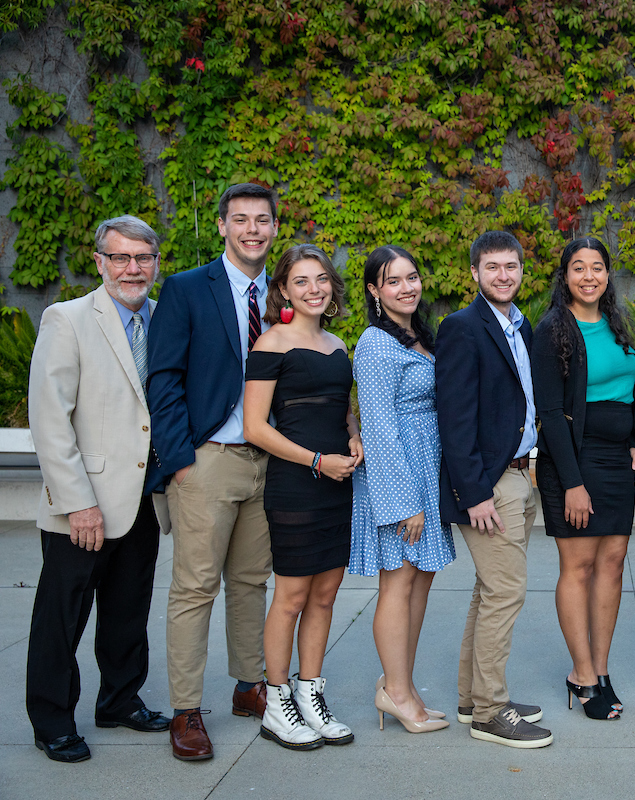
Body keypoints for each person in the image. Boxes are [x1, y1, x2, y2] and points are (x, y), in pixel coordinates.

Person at [25, 216, 172, 763]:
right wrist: (77, 502)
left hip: (144, 498)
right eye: (120, 257)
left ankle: (120, 700)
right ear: (100, 262)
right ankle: (52, 721)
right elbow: (50, 420)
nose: (132, 268)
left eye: (143, 258)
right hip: (83, 503)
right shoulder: (66, 319)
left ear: (156, 263)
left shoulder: (163, 318)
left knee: (128, 609)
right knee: (62, 616)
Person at [147, 183, 279, 761]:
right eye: (240, 219)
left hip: (268, 462)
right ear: (223, 226)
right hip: (207, 461)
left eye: (262, 220)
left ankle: (249, 686)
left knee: (251, 581)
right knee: (195, 587)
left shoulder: (283, 291)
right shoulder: (185, 289)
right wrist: (180, 462)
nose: (252, 230)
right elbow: (164, 380)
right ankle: (186, 709)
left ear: (275, 228)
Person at [242, 244, 361, 749]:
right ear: (284, 291)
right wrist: (316, 461)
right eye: (301, 281)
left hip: (338, 483)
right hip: (296, 485)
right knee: (291, 597)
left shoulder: (337, 343)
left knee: (325, 596)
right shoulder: (271, 343)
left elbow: (339, 407)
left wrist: (353, 434)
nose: (314, 289)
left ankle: (311, 695)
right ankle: (277, 703)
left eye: (321, 279)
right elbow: (254, 427)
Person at [436, 230, 552, 748]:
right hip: (490, 482)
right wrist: (475, 492)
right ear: (475, 273)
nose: (503, 276)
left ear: (521, 270)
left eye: (511, 266)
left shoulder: (520, 325)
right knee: (505, 592)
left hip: (521, 474)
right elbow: (455, 418)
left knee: (490, 591)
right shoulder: (462, 328)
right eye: (492, 267)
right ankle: (490, 712)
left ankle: (472, 698)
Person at [531, 237, 635, 722]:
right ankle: (580, 674)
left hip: (617, 461)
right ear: (565, 276)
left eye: (597, 267)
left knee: (612, 564)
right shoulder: (553, 330)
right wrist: (573, 483)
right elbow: (550, 412)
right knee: (578, 567)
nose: (589, 276)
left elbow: (633, 386)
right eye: (578, 268)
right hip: (574, 462)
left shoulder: (618, 323)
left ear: (607, 274)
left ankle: (600, 669)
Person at [350, 245, 454, 735]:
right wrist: (403, 502)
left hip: (427, 469)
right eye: (393, 281)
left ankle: (403, 687)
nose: (406, 287)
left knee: (420, 580)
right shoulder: (375, 344)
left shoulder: (416, 335)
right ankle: (395, 692)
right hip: (401, 476)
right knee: (398, 582)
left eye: (411, 277)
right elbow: (378, 427)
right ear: (375, 290)